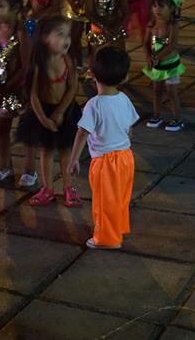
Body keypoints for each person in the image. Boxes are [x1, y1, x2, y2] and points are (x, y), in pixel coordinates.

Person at [67, 46, 137, 250]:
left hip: (105, 162)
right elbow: (130, 128)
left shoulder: (94, 105)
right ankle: (118, 228)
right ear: (124, 78)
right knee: (120, 197)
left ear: (92, 73)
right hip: (126, 157)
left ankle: (107, 238)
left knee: (104, 202)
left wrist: (74, 159)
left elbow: (82, 133)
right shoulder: (124, 99)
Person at [18, 14, 81, 205]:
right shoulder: (39, 64)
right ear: (45, 38)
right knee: (46, 151)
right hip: (43, 112)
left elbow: (72, 88)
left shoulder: (68, 60)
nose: (67, 39)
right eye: (60, 34)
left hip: (66, 111)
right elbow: (33, 95)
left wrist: (60, 112)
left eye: (68, 34)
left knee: (65, 151)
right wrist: (44, 119)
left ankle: (68, 188)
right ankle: (47, 188)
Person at [0, 0, 35, 185]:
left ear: (14, 8)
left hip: (21, 91)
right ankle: (4, 165)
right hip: (0, 90)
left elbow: (26, 66)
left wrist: (5, 88)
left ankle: (30, 170)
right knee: (1, 130)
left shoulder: (21, 33)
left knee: (27, 132)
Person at [143, 0, 186, 131]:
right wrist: (148, 56)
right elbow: (146, 42)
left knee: (171, 92)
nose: (157, 10)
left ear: (172, 8)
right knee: (156, 91)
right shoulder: (151, 25)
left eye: (161, 6)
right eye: (154, 6)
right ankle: (157, 115)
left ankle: (177, 119)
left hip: (170, 65)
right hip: (157, 64)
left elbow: (172, 45)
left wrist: (157, 57)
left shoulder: (172, 26)